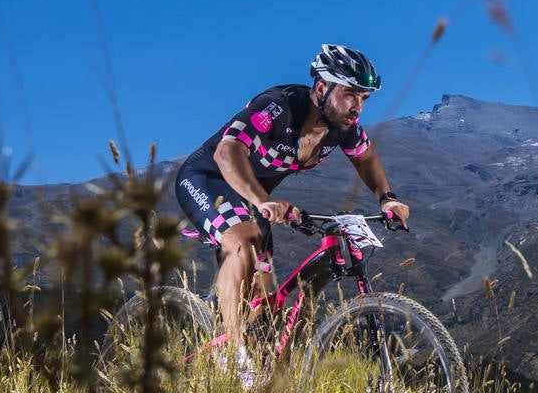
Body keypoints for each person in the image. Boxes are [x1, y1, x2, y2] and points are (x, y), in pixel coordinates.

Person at [175, 44, 410, 373]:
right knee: (244, 241)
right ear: (321, 87)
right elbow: (227, 153)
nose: (357, 106)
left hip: (256, 201)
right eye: (349, 94)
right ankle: (231, 353)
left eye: (364, 98)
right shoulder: (277, 106)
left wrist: (387, 198)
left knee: (265, 310)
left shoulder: (343, 128)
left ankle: (242, 380)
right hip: (208, 180)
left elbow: (366, 158)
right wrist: (262, 201)